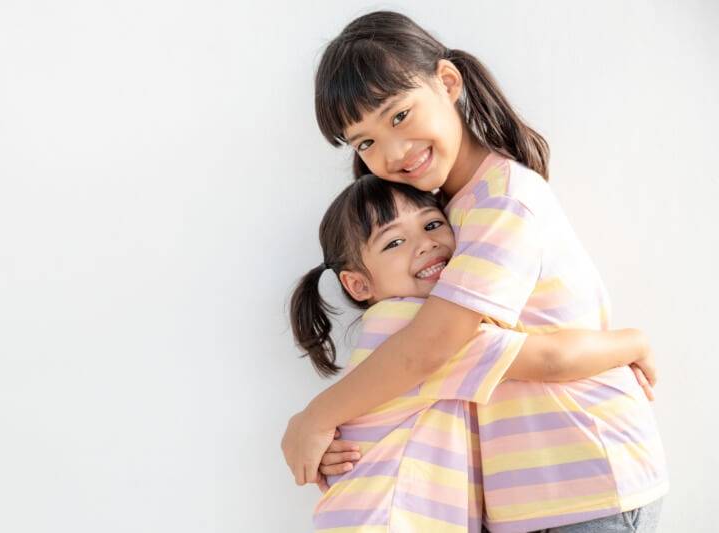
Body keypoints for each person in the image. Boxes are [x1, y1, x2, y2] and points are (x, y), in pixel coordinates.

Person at [283, 10, 667, 532]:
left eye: (399, 116)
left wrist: (318, 416)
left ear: (447, 83)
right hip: (529, 499)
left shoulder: (501, 200)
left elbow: (431, 347)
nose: (391, 152)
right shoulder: (442, 216)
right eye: (365, 142)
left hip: (589, 481)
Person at [290, 175, 655, 532]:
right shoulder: (417, 327)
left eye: (432, 224)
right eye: (394, 242)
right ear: (358, 284)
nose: (425, 244)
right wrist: (633, 342)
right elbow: (550, 359)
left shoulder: (390, 327)